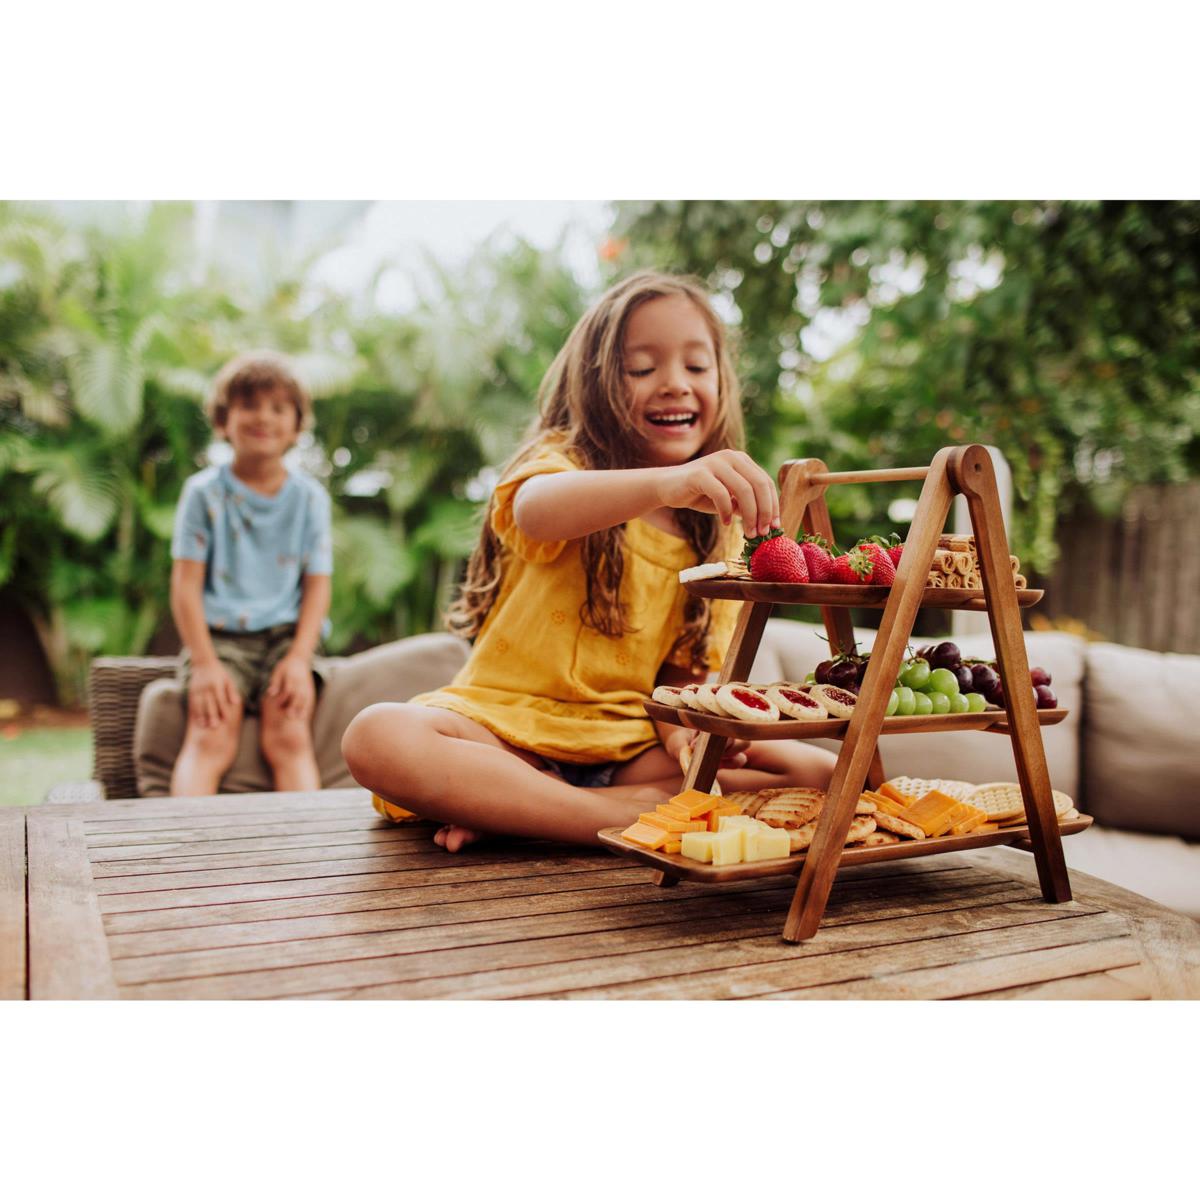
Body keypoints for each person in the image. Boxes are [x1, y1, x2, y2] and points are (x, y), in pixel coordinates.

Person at [342, 272, 835, 850]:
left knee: (819, 772)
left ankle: (518, 808)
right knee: (377, 735)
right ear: (597, 382)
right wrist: (666, 484)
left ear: (721, 383)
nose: (674, 384)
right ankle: (609, 821)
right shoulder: (563, 464)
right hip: (504, 732)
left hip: (625, 749)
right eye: (642, 369)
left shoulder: (715, 528)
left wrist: (682, 741)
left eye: (696, 367)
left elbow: (679, 676)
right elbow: (535, 511)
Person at [169, 350, 333, 796]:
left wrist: (299, 659)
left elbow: (318, 586)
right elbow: (185, 586)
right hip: (219, 637)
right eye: (249, 405)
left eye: (278, 407)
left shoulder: (310, 498)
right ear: (224, 420)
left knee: (290, 735)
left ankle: (310, 857)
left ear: (297, 426)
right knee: (209, 736)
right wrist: (203, 665)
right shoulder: (202, 494)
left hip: (286, 635)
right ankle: (181, 855)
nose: (263, 416)